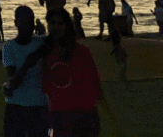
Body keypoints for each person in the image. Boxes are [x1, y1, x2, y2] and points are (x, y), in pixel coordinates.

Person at [6, 9, 103, 137]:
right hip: (60, 118)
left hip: (83, 116)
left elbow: (94, 86)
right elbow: (48, 89)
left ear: (67, 26)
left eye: (60, 23)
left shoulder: (81, 52)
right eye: (52, 23)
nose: (56, 27)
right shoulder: (46, 53)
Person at [2, 5, 47, 137]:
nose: (28, 26)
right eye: (24, 22)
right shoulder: (9, 46)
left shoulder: (41, 43)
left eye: (30, 22)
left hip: (38, 103)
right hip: (17, 104)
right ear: (16, 23)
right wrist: (27, 64)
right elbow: (14, 81)